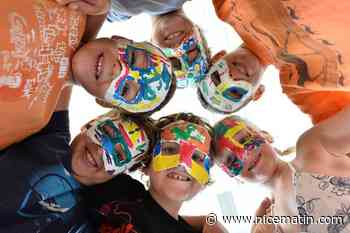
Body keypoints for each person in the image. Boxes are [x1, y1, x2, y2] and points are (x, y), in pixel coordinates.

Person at [0, 0, 175, 150]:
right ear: (120, 38)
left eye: (125, 89)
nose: (119, 70)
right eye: (132, 57)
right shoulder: (77, 9)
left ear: (104, 101)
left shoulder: (34, 118)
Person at [0, 84, 156, 232]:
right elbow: (63, 70)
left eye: (119, 156)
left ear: (120, 173)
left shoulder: (87, 221)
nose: (101, 152)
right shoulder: (51, 130)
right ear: (91, 123)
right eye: (107, 133)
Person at [200, 0, 350, 124]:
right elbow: (338, 134)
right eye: (234, 92)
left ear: (217, 57)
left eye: (217, 78)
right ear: (257, 93)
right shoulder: (301, 85)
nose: (232, 77)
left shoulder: (227, 7)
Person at [81, 113, 229, 233]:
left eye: (197, 157)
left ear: (205, 180)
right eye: (170, 149)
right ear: (146, 165)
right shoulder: (118, 187)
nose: (183, 163)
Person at [212, 109, 350, 233]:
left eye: (244, 139)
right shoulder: (271, 227)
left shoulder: (312, 147)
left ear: (266, 135)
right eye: (231, 160)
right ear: (233, 176)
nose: (245, 155)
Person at [106, 0, 211, 88]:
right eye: (191, 49)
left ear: (151, 49)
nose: (178, 48)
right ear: (199, 35)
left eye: (173, 61)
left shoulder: (112, 12)